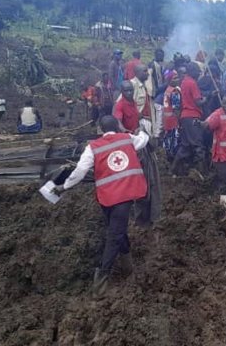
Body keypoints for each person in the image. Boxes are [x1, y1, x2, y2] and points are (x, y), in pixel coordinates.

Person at [53, 115, 150, 294]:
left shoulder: (93, 147)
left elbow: (80, 171)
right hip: (125, 195)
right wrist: (142, 131)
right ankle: (105, 278)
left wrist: (64, 186)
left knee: (115, 231)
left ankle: (119, 271)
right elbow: (144, 140)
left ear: (100, 129)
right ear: (118, 126)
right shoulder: (127, 139)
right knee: (116, 234)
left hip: (107, 197)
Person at [114, 81, 162, 228]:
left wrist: (144, 120)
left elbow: (136, 115)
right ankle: (138, 217)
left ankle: (148, 214)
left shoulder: (133, 102)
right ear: (122, 91)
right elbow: (118, 122)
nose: (129, 93)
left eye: (130, 90)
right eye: (126, 91)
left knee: (149, 176)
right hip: (130, 144)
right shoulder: (120, 105)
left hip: (139, 141)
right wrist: (126, 132)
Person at [172, 62, 207, 175]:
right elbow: (198, 102)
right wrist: (208, 97)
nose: (198, 74)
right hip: (192, 116)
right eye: (197, 72)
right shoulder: (192, 83)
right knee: (198, 146)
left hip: (185, 117)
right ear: (192, 71)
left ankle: (173, 170)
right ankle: (202, 173)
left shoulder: (184, 82)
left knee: (185, 146)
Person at [129, 64, 157, 138]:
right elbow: (122, 104)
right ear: (138, 73)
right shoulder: (132, 85)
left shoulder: (145, 84)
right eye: (145, 71)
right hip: (139, 122)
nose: (147, 73)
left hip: (147, 120)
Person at [162, 70, 182, 162]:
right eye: (175, 78)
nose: (177, 80)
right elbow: (176, 108)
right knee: (174, 140)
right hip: (173, 120)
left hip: (167, 120)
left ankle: (168, 156)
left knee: (168, 139)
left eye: (177, 77)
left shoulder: (168, 89)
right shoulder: (174, 91)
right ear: (170, 80)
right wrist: (179, 122)